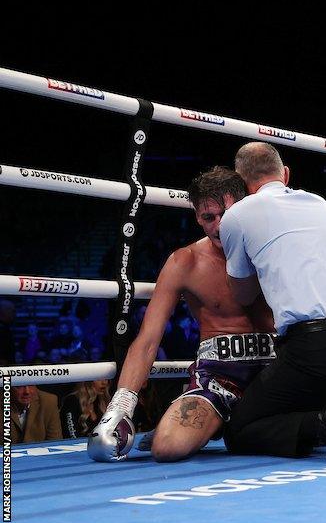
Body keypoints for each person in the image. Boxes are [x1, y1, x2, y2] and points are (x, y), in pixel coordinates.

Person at [220, 142, 326, 465]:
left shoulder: (236, 216)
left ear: (240, 182)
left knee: (239, 430)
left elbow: (243, 295)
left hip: (320, 349)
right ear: (285, 175)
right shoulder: (318, 202)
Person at [89, 167, 280, 463]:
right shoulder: (185, 262)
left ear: (244, 206)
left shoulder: (273, 248)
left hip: (276, 370)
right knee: (167, 446)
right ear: (197, 217)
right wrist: (121, 406)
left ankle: (230, 426)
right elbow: (148, 340)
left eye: (227, 214)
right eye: (208, 217)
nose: (218, 226)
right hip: (220, 376)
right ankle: (222, 422)